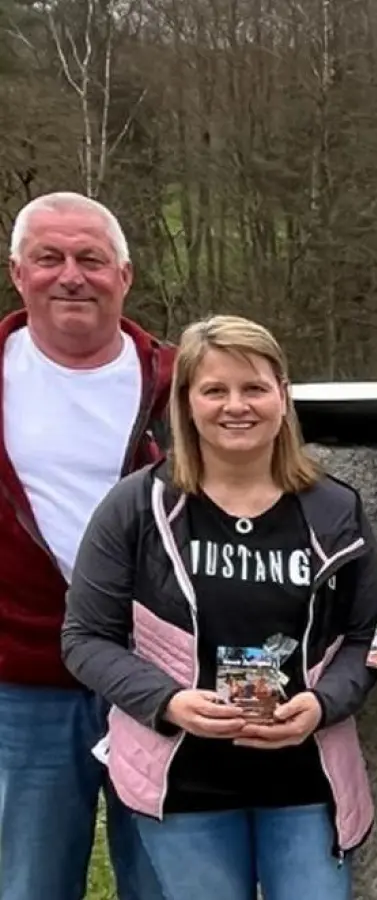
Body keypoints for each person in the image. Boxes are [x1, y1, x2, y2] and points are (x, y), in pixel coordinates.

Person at [61, 315, 377, 899]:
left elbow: (366, 637)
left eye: (254, 388)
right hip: (183, 784)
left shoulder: (334, 510)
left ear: (282, 398)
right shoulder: (137, 507)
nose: (237, 405)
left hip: (306, 781)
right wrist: (168, 702)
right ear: (187, 402)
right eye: (215, 389)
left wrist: (323, 703)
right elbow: (85, 638)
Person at [1, 190, 166, 900]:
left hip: (155, 679)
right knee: (28, 883)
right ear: (19, 272)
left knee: (168, 883)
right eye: (49, 258)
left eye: (91, 259)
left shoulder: (181, 382)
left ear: (123, 277)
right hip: (23, 684)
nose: (71, 275)